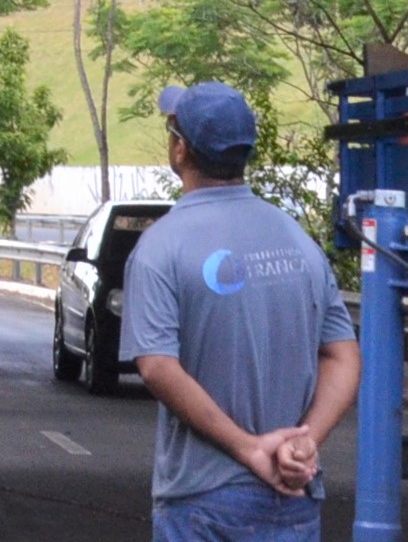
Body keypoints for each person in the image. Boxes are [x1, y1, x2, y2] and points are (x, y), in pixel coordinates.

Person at [123, 81, 359, 542]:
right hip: (293, 497)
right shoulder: (296, 240)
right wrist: (304, 441)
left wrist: (249, 449)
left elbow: (155, 366)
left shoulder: (160, 247)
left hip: (201, 499)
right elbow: (344, 355)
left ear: (180, 150)